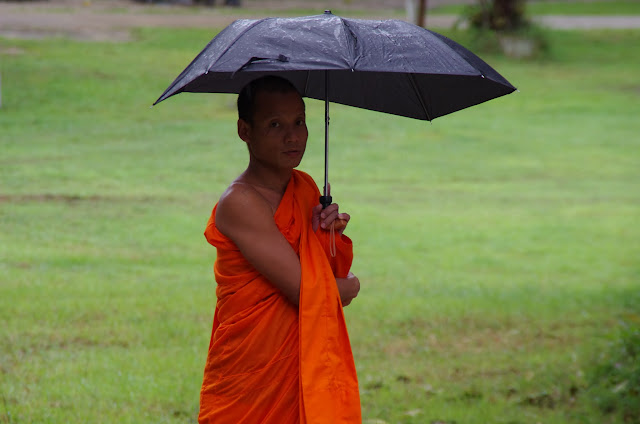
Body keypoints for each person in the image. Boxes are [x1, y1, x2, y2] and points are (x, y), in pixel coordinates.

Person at [198, 75, 362, 424]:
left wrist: (324, 235)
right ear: (245, 130)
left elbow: (323, 274)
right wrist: (351, 287)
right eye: (275, 124)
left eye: (299, 122)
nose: (293, 136)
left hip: (300, 365)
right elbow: (307, 291)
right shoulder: (240, 202)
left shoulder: (304, 188)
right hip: (252, 374)